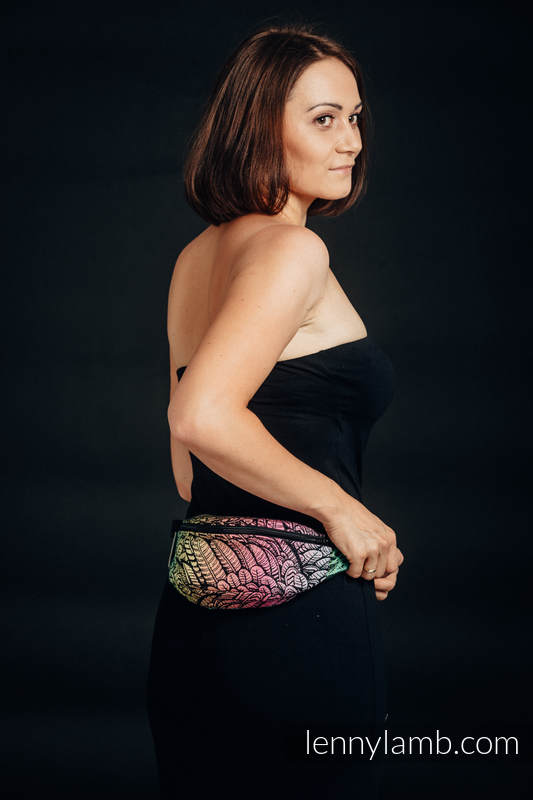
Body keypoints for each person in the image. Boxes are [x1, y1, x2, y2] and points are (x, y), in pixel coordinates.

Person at [146, 21, 405, 799]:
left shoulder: (196, 257)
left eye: (353, 117)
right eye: (323, 119)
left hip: (193, 625)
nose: (350, 141)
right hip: (301, 623)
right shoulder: (293, 251)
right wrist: (345, 513)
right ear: (259, 125)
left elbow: (190, 476)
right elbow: (199, 419)